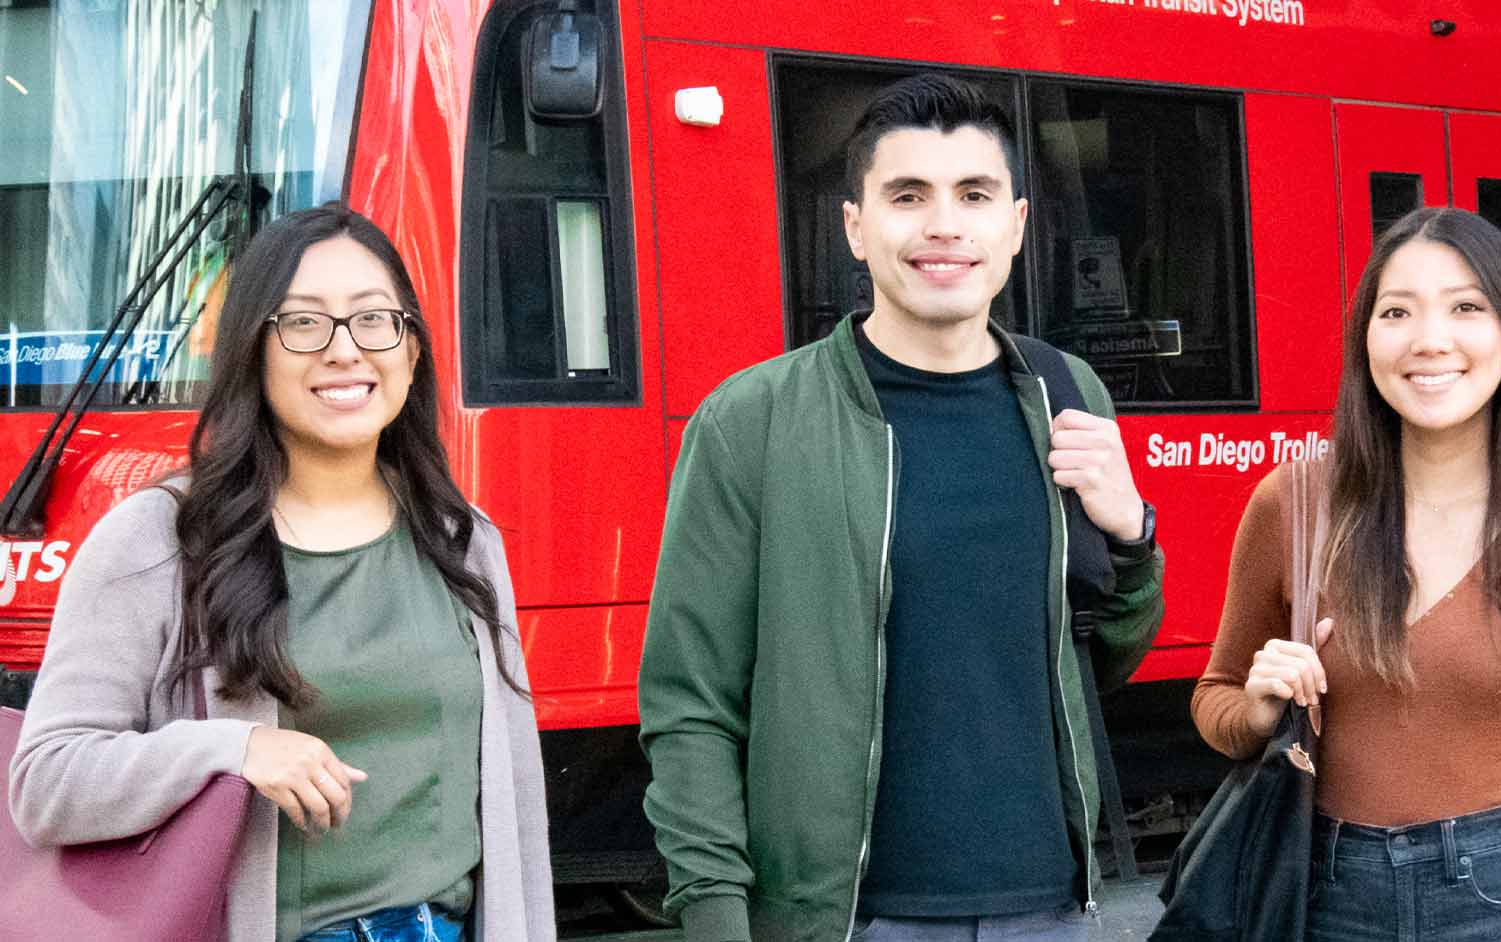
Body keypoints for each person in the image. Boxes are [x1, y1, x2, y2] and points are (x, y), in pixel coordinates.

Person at [638, 74, 1165, 942]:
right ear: (855, 226)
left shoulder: (1070, 396)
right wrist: (715, 916)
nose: (944, 225)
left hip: (1050, 908)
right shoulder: (752, 420)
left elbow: (1102, 658)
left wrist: (1132, 535)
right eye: (908, 195)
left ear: (1017, 227)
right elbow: (690, 702)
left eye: (974, 194)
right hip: (845, 919)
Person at [8, 204, 555, 942]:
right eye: (303, 323)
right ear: (252, 352)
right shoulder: (160, 539)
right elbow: (47, 783)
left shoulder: (462, 540)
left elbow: (512, 805)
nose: (345, 351)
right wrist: (232, 750)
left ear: (412, 350)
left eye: (373, 320)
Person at [1193, 207, 1501, 942]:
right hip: (1323, 898)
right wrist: (1256, 707)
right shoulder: (1296, 504)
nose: (1430, 340)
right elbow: (1215, 702)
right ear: (1367, 339)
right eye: (1397, 311)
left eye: (1466, 307)